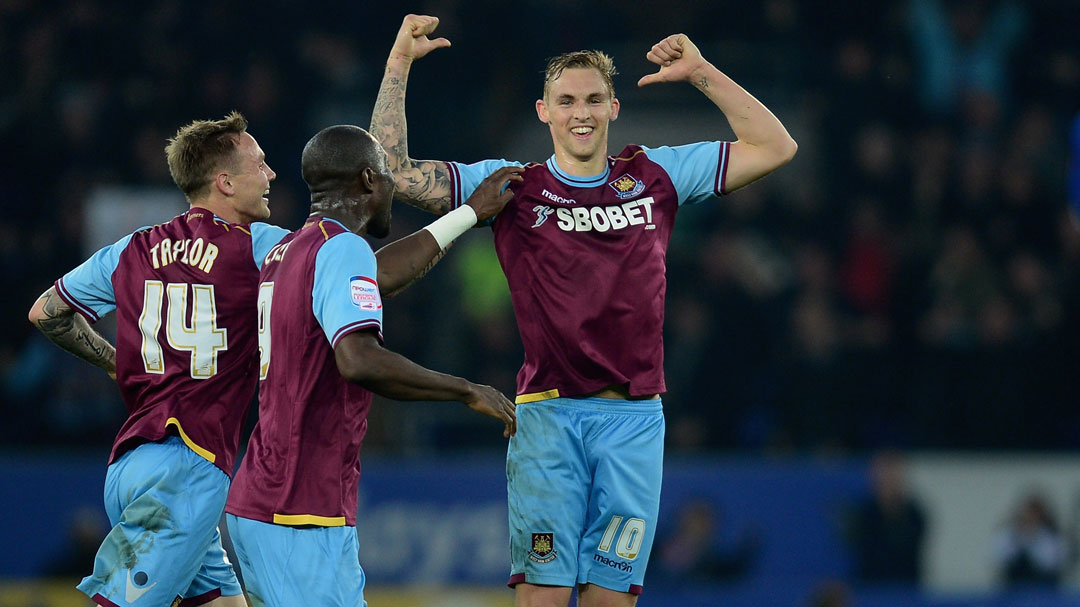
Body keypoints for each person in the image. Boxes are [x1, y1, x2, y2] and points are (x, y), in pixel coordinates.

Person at [371, 14, 797, 607]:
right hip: (549, 422)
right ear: (543, 111)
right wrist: (398, 66)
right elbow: (392, 174)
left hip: (634, 423)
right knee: (543, 600)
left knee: (609, 601)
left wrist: (701, 72)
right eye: (566, 100)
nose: (581, 112)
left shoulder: (655, 175)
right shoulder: (511, 186)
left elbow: (777, 147)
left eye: (594, 99)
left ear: (614, 108)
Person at [224, 124, 521, 607]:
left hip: (276, 500)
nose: (393, 188)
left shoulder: (294, 249)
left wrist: (468, 213)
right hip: (298, 511)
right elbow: (358, 360)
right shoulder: (340, 249)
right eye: (387, 175)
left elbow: (379, 273)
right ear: (368, 180)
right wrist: (465, 389)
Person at [27, 111, 289, 607]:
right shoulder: (261, 249)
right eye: (261, 162)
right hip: (187, 466)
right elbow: (352, 269)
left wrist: (112, 361)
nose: (271, 173)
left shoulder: (132, 249)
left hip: (132, 463)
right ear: (225, 181)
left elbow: (46, 312)